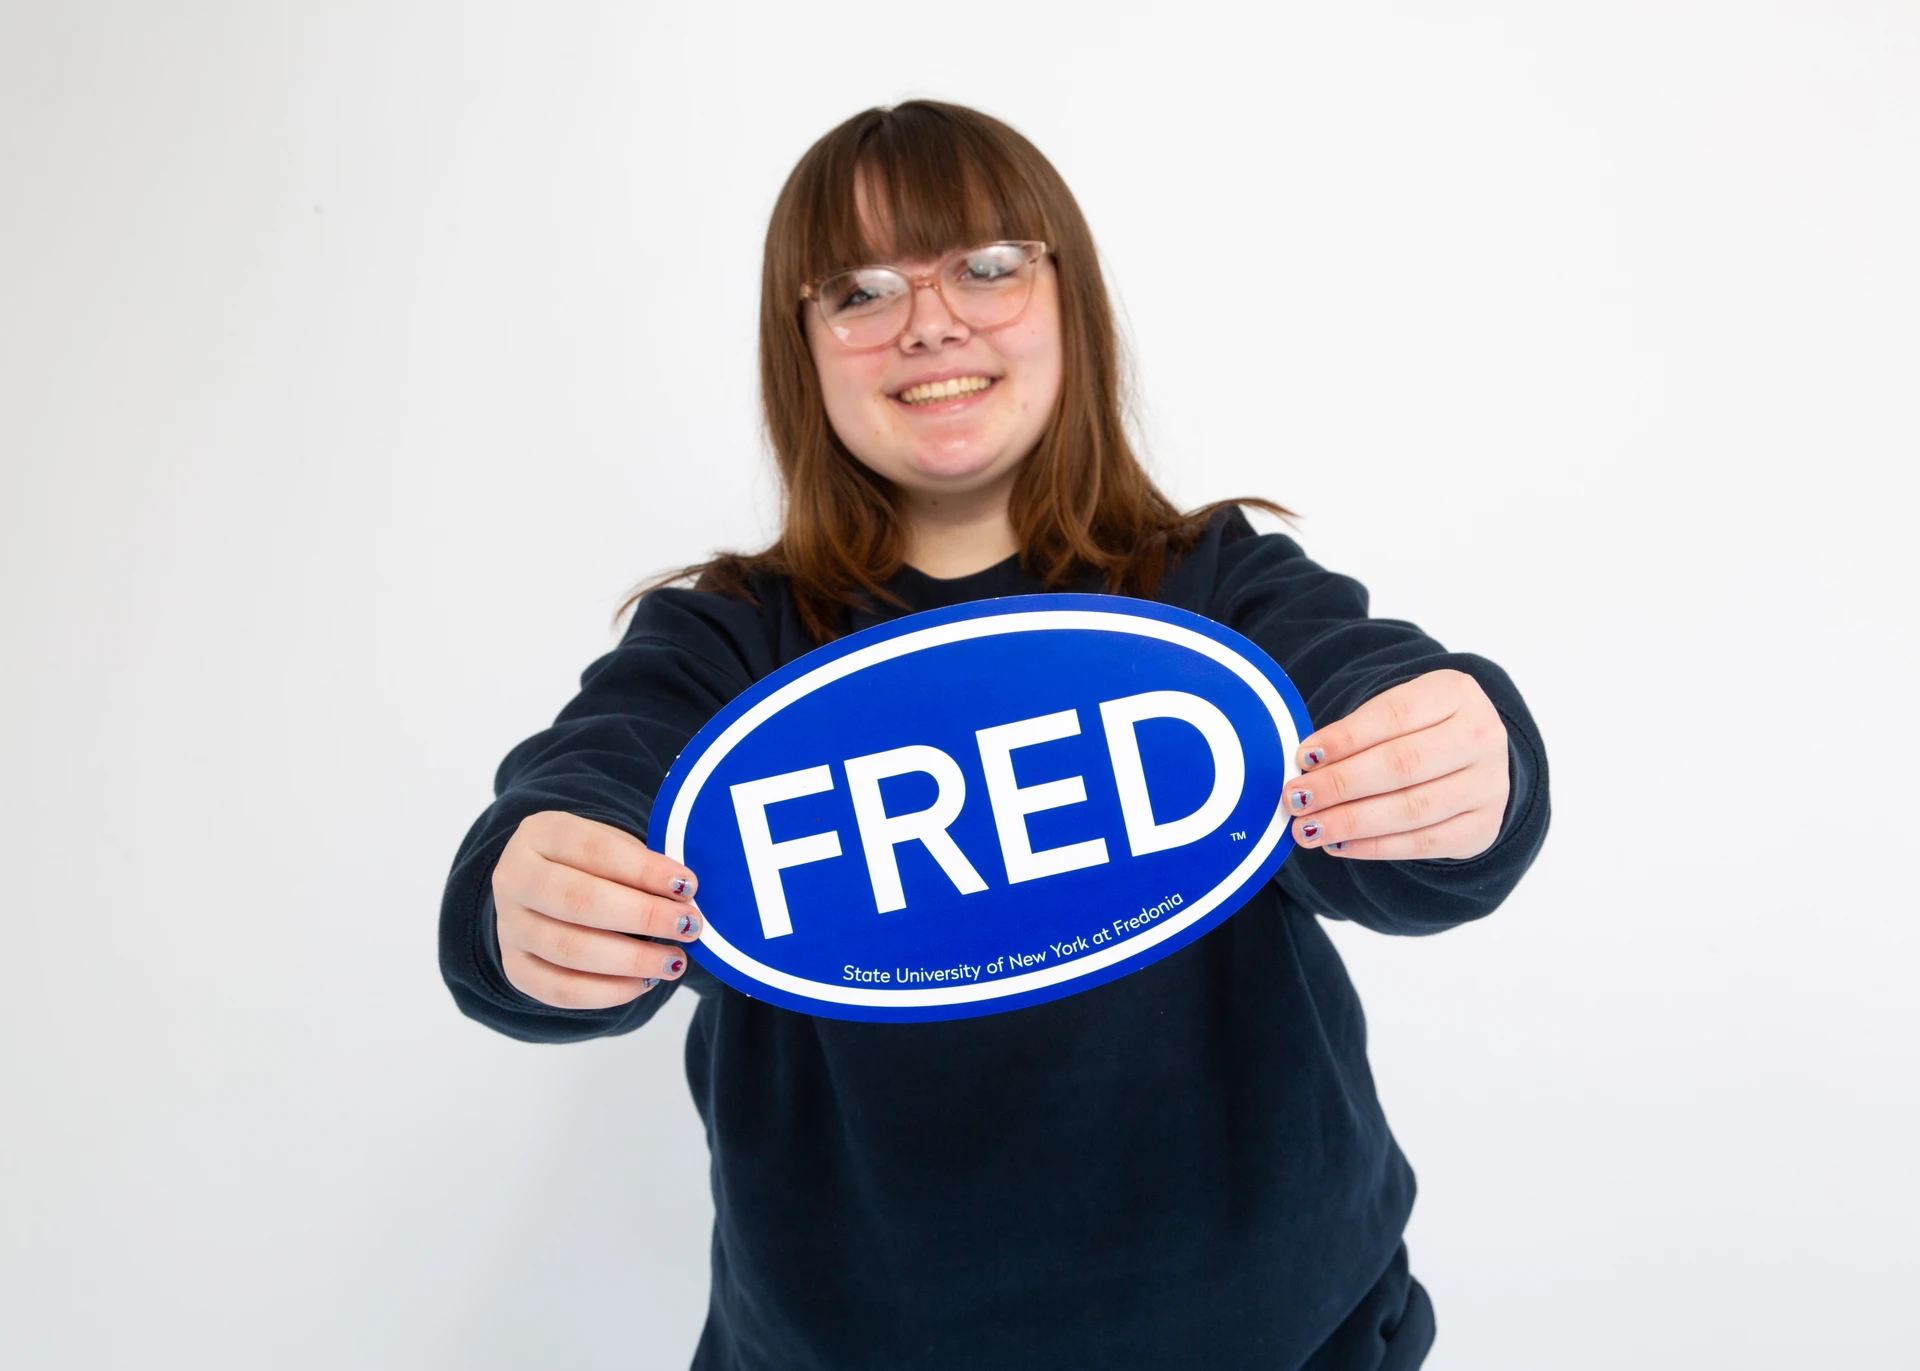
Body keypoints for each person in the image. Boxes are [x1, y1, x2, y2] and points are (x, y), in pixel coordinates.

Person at [439, 100, 1549, 1371]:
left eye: (984, 265)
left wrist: (1472, 764)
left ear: (1066, 293)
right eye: (857, 290)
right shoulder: (730, 643)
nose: (928, 321)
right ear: (799, 347)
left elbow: (1393, 773)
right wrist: (528, 899)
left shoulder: (1215, 591)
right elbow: (585, 793)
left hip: (1293, 1340)